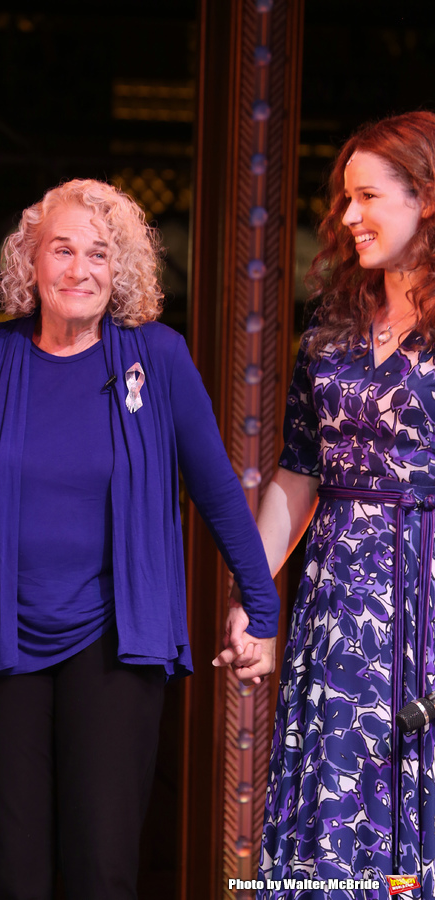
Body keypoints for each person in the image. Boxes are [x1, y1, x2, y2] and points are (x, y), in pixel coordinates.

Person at [0, 178, 279, 900]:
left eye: (101, 255)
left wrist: (261, 611)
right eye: (63, 250)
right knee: (12, 876)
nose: (81, 270)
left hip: (115, 643)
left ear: (124, 272)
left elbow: (215, 491)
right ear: (31, 261)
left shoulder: (159, 358)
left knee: (103, 871)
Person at [249, 112, 435, 899]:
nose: (349, 217)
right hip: (337, 603)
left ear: (425, 198)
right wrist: (255, 599)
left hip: (423, 592)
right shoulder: (331, 332)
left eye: (368, 197)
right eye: (344, 200)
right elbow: (298, 470)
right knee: (332, 797)